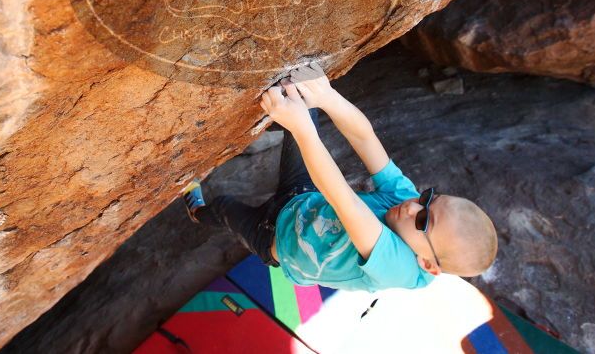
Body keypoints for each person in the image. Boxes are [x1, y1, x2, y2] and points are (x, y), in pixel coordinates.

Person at [182, 62, 498, 291]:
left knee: (223, 206)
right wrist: (328, 97)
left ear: (428, 264)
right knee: (305, 105)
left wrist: (300, 126)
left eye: (423, 222)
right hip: (304, 200)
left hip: (275, 240)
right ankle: (268, 119)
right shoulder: (407, 203)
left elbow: (343, 199)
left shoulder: (397, 267)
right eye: (429, 198)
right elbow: (366, 140)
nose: (414, 206)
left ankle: (197, 211)